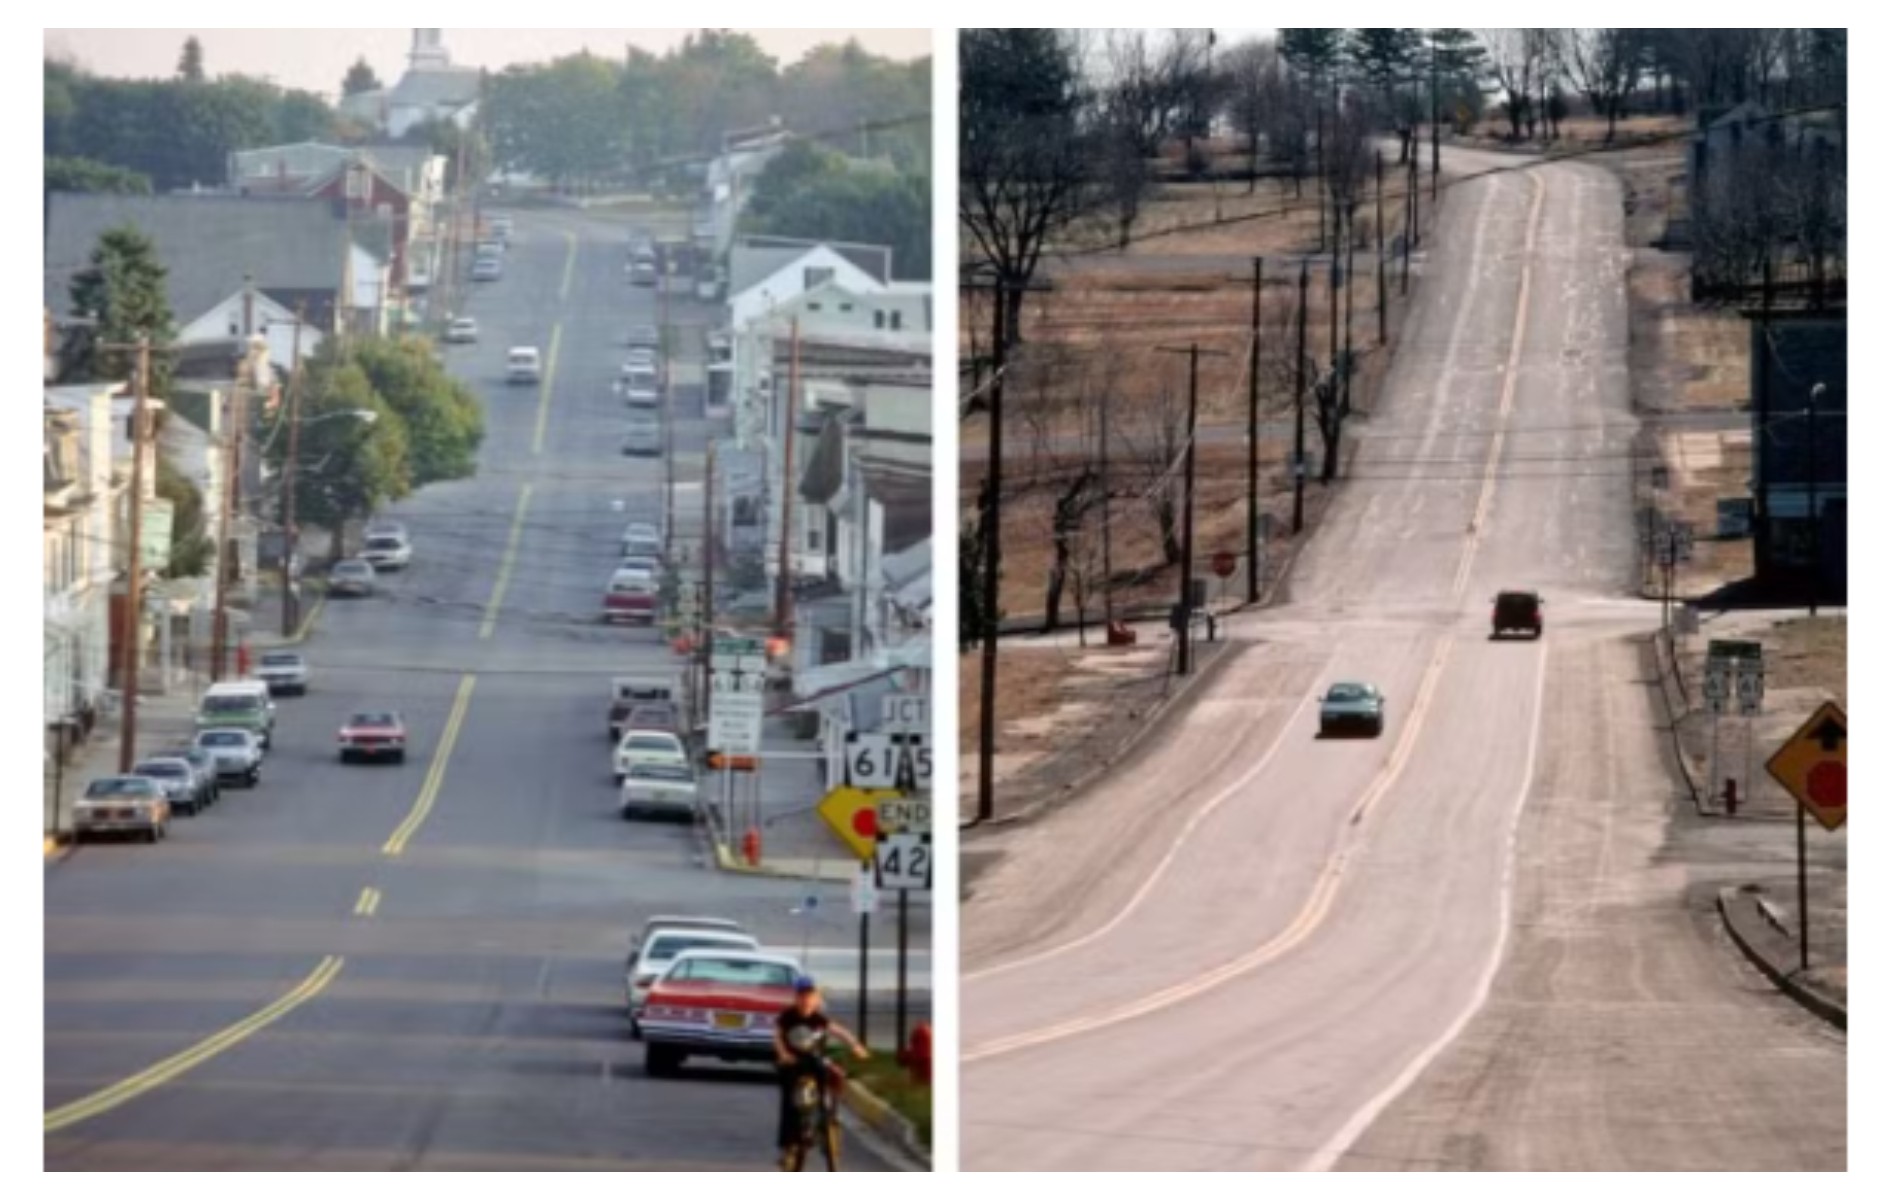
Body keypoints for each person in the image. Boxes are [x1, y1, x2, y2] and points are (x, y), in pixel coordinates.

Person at [774, 976, 868, 1168]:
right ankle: (789, 1146)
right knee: (789, 1102)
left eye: (810, 996)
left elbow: (839, 1032)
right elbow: (777, 1036)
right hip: (792, 1062)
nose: (805, 1000)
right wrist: (783, 1054)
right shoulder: (788, 1016)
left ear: (816, 999)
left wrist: (855, 1046)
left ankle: (825, 1110)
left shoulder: (819, 1019)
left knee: (826, 1071)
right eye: (801, 996)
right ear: (796, 997)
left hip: (813, 1060)